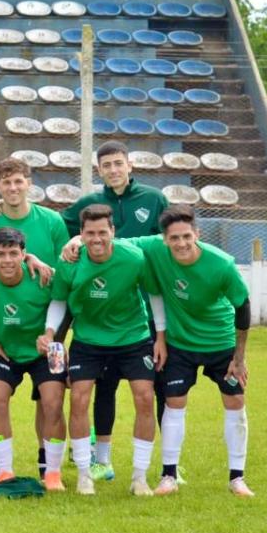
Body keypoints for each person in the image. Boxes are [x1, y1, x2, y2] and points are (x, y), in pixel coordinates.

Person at [105, 206, 253, 497]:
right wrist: (75, 242)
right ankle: (169, 476)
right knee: (174, 403)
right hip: (180, 344)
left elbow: (243, 307)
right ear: (164, 239)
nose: (181, 243)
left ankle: (237, 478)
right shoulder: (155, 249)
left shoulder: (222, 264)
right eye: (174, 238)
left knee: (235, 401)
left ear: (197, 234)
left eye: (187, 236)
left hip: (220, 343)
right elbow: (113, 242)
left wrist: (239, 359)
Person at [37, 204, 167, 496]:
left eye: (102, 232)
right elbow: (59, 301)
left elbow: (155, 295)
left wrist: (160, 336)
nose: (97, 239)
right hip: (89, 339)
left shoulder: (133, 257)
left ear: (113, 232)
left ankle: (139, 477)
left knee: (145, 398)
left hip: (133, 337)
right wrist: (48, 332)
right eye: (90, 233)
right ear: (81, 235)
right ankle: (85, 475)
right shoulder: (70, 263)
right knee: (79, 399)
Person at [57, 140, 168, 481]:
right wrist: (72, 241)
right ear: (99, 170)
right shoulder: (90, 203)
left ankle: (168, 467)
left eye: (119, 163)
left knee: (154, 390)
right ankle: (101, 459)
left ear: (129, 165)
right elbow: (58, 225)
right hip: (97, 314)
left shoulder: (153, 199)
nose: (114, 170)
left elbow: (170, 235)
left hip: (142, 313)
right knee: (101, 389)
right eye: (107, 165)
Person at [0, 158, 67, 480]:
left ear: (28, 183)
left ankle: (49, 470)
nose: (13, 188)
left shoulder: (51, 221)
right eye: (6, 182)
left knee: (52, 400)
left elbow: (65, 273)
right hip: (3, 341)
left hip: (48, 330)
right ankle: (1, 469)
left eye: (18, 181)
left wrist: (52, 335)